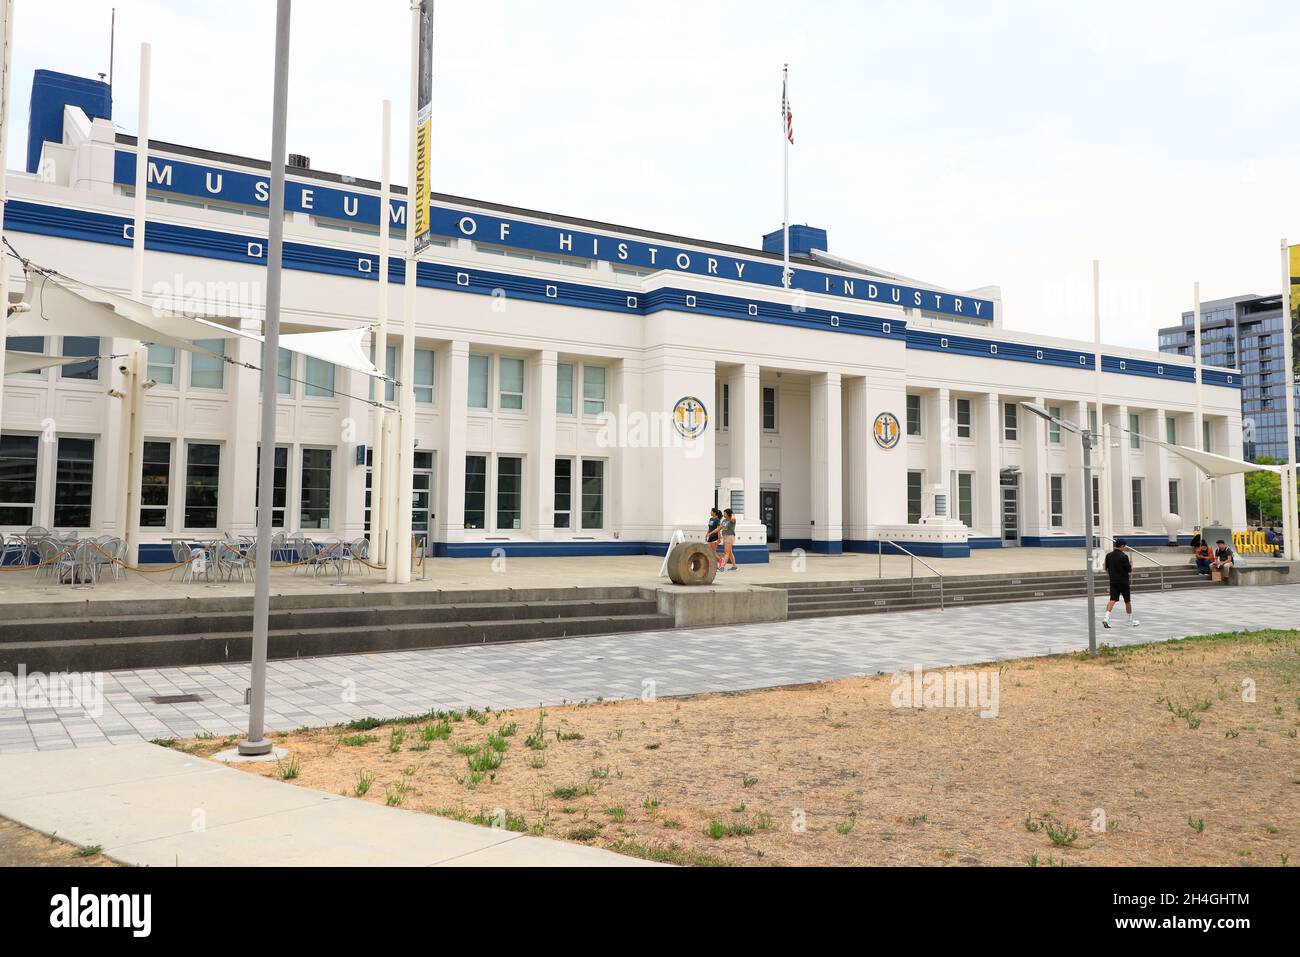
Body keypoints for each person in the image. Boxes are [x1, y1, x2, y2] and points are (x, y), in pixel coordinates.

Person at [1102, 538, 1139, 629]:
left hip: (1113, 581)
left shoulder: (1108, 555)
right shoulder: (1124, 556)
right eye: (1124, 546)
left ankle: (1106, 618)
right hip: (1123, 581)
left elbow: (1106, 569)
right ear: (1122, 546)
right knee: (1127, 600)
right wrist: (1131, 565)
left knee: (1112, 599)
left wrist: (1111, 576)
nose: (1125, 548)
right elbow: (1129, 570)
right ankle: (1130, 619)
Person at [719, 508, 738, 572]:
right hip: (725, 537)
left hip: (730, 537)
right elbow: (720, 527)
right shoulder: (724, 520)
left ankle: (722, 566)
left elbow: (733, 519)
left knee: (726, 552)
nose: (724, 514)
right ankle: (734, 566)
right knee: (730, 552)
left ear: (728, 514)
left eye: (725, 513)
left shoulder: (732, 520)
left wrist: (732, 514)